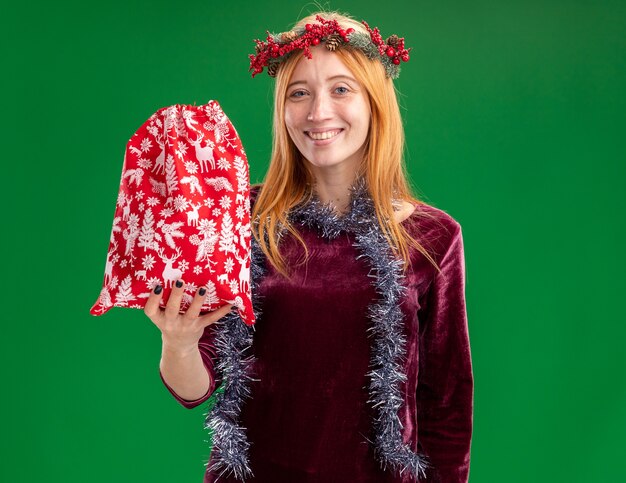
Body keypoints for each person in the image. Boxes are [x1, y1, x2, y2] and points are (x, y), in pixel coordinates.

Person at [143, 11, 473, 483]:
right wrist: (177, 342)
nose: (318, 112)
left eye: (341, 89)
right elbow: (194, 388)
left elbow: (447, 404)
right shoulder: (237, 217)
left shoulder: (433, 237)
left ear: (375, 102)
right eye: (300, 92)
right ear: (283, 109)